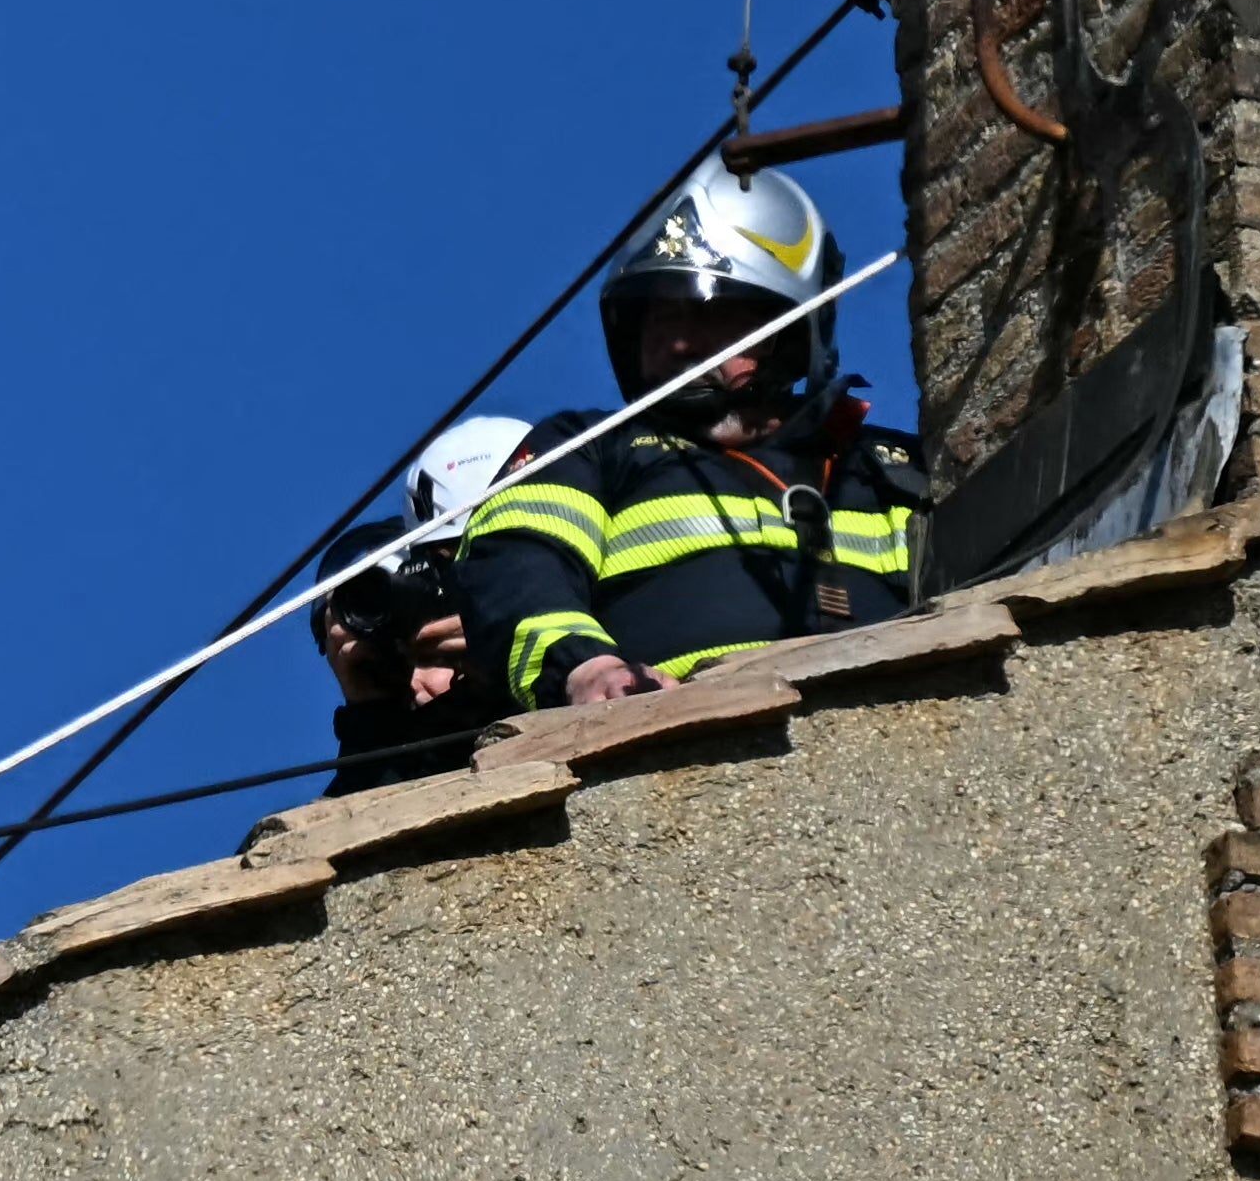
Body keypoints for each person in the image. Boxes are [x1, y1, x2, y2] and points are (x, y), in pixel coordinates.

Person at [461, 172, 916, 711]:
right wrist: (587, 666)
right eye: (657, 318)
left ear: (789, 331)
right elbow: (516, 564)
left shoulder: (889, 465)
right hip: (685, 736)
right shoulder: (589, 447)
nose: (676, 342)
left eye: (706, 314)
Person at [311, 413, 569, 796]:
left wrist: (502, 648)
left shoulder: (593, 648)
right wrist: (370, 712)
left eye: (434, 658)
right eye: (396, 672)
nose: (417, 687)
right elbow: (365, 821)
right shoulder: (405, 758)